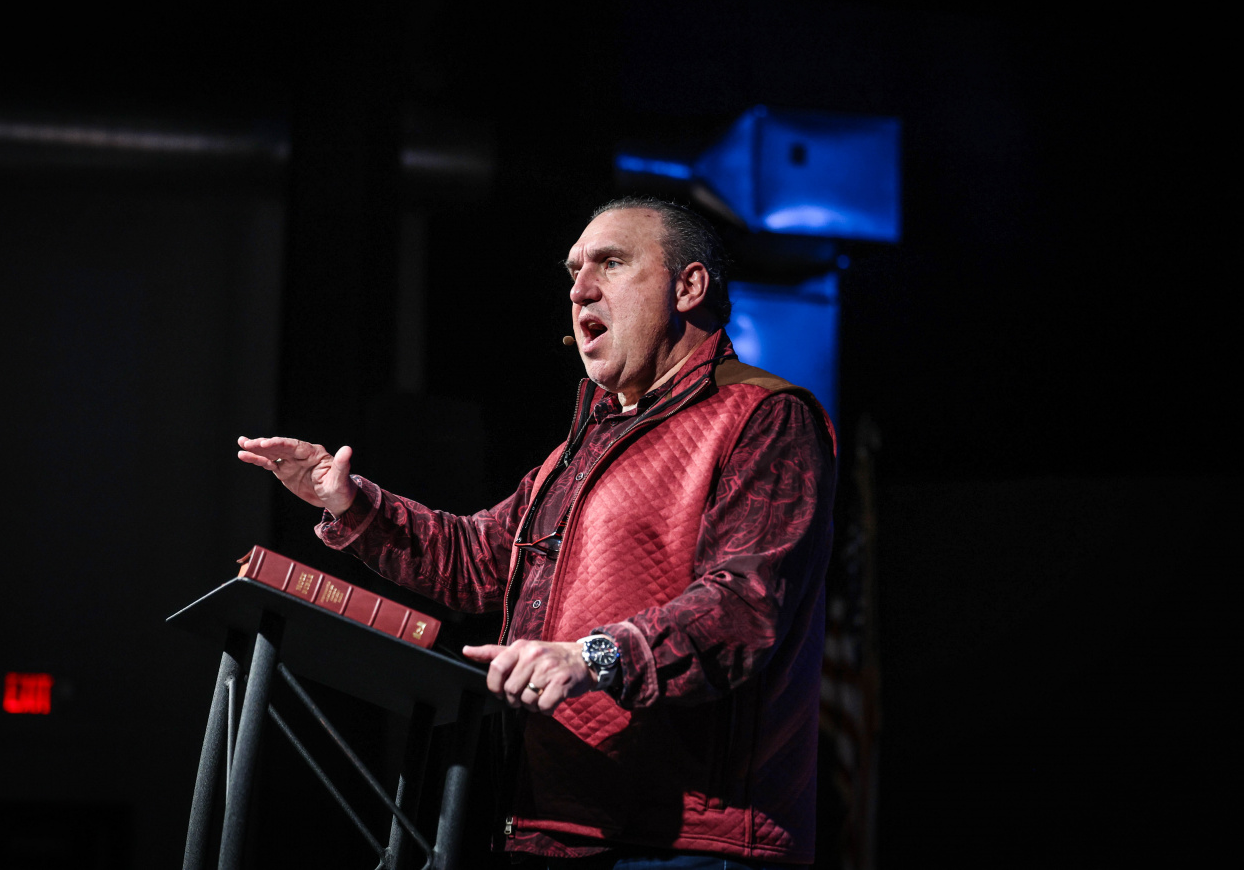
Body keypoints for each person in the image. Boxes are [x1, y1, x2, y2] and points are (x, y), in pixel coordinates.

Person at [237, 195, 837, 868]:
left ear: (689, 287)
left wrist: (593, 657)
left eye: (611, 264)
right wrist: (350, 503)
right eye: (575, 272)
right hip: (555, 829)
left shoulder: (764, 417)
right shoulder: (578, 452)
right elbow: (476, 561)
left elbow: (744, 607)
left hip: (687, 844)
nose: (580, 291)